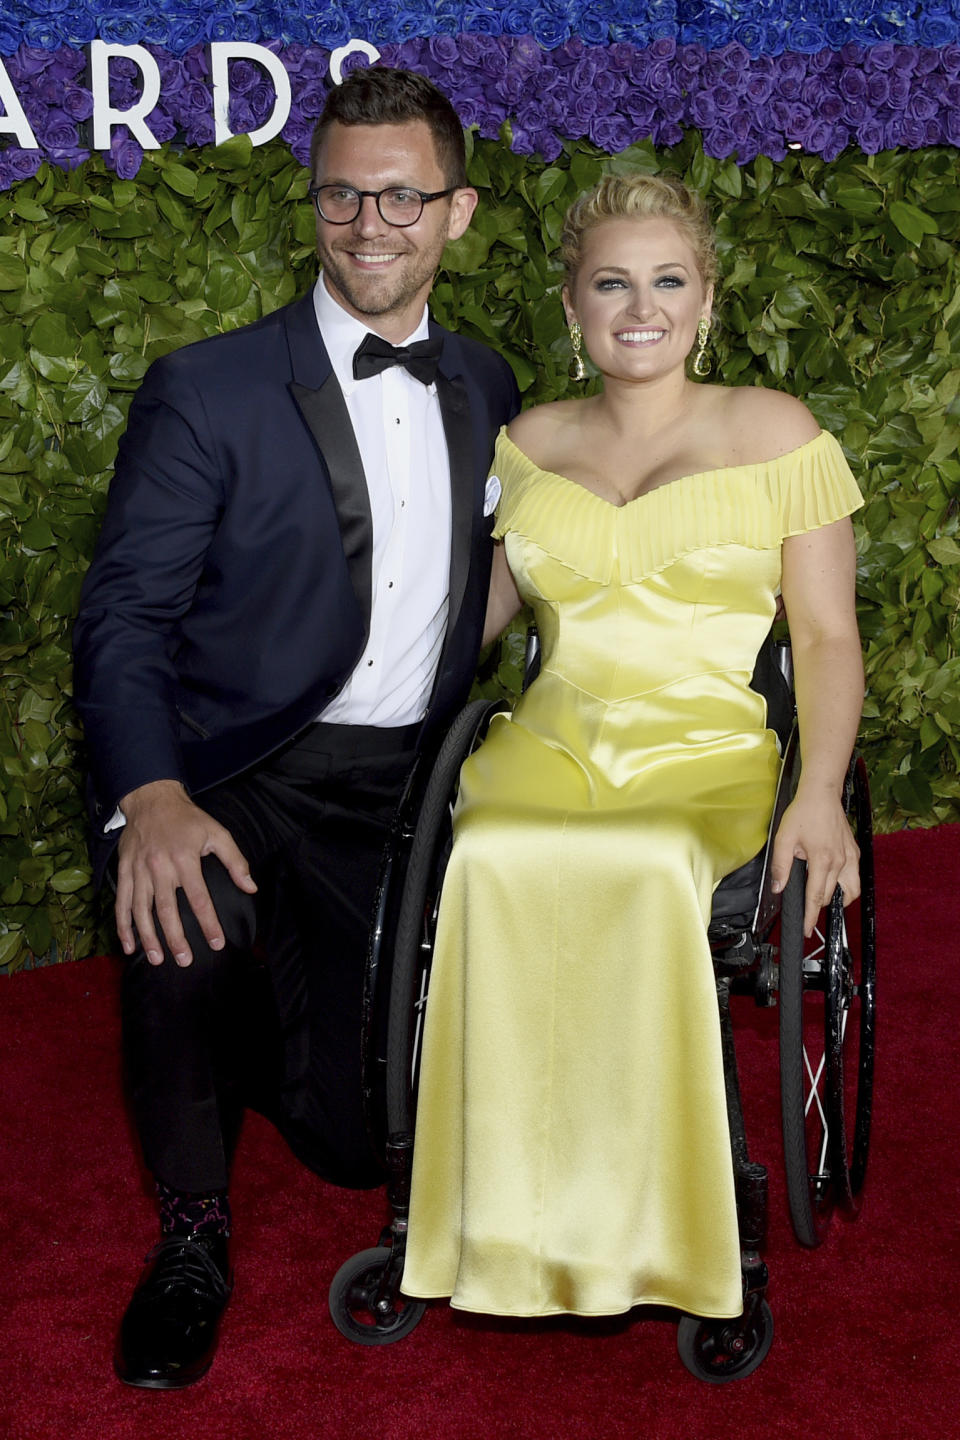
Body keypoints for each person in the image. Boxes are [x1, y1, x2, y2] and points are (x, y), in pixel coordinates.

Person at [72, 66, 519, 1388]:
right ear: (312, 199)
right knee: (183, 913)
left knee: (345, 1141)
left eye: (402, 196)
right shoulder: (207, 391)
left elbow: (479, 583)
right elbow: (122, 621)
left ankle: (263, 1045)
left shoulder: (487, 382)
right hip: (239, 766)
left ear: (458, 213)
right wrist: (151, 797)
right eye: (342, 192)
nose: (369, 222)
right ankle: (194, 1233)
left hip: (398, 784)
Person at [401, 173, 863, 1321]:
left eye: (668, 280)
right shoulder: (530, 443)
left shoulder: (779, 431)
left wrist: (819, 799)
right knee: (490, 849)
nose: (640, 306)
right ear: (573, 306)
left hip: (705, 745)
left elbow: (826, 637)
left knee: (653, 860)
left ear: (707, 299)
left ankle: (664, 1229)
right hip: (554, 731)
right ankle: (500, 1228)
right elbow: (476, 624)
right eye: (612, 282)